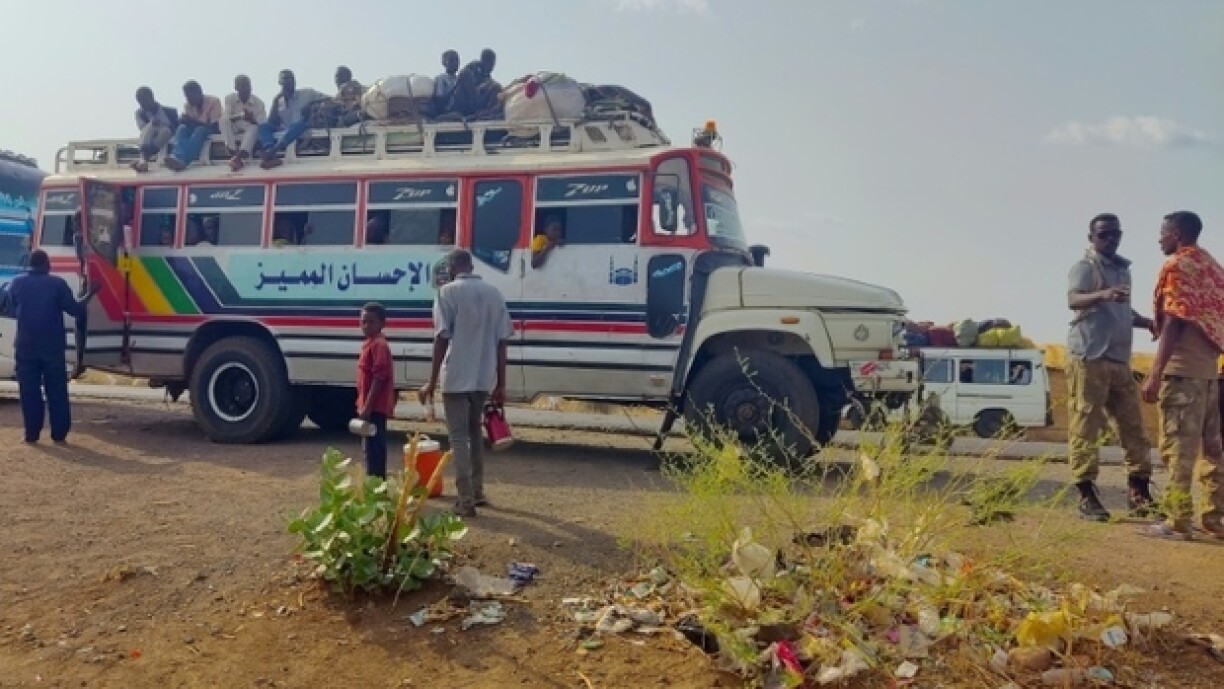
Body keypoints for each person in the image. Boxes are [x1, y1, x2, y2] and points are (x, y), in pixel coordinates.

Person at [1066, 213, 1157, 522]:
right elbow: (1074, 299)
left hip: (1119, 360)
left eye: (1115, 234)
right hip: (1089, 357)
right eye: (1104, 235)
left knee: (1134, 427)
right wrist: (1103, 294)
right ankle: (1086, 494)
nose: (1110, 239)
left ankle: (1139, 491)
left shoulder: (1122, 270)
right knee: (1086, 426)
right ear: (1091, 237)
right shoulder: (1085, 267)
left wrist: (1145, 322)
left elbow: (1121, 310)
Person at [1139, 211, 1224, 540]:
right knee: (1213, 449)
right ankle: (1215, 517)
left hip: (1182, 372)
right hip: (1208, 374)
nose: (1159, 239)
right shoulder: (1213, 268)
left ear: (1176, 233)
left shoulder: (1177, 266)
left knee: (1178, 449)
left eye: (1163, 233)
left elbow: (1174, 318)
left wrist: (1156, 372)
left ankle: (1177, 521)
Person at [420, 250, 514, 517]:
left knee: (458, 436)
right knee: (474, 433)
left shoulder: (446, 293)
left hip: (456, 375)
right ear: (471, 265)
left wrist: (431, 380)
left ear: (451, 268)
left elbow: (441, 338)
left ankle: (465, 500)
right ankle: (477, 491)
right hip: (483, 376)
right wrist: (501, 384)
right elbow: (502, 342)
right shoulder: (494, 293)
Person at [6, 250, 97, 443]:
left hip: (25, 346)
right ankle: (59, 434)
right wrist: (91, 292)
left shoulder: (17, 283)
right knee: (56, 391)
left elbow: (12, 308)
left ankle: (31, 434)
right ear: (47, 265)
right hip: (52, 348)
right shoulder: (57, 284)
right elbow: (76, 310)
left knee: (29, 392)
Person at [357, 302, 397, 479]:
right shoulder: (369, 343)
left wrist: (367, 406)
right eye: (363, 322)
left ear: (382, 323)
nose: (366, 326)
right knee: (370, 448)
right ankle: (374, 485)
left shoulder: (379, 345)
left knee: (375, 449)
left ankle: (377, 488)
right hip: (369, 405)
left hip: (375, 407)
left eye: (371, 322)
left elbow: (379, 377)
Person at [258, 70, 326, 170]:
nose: (288, 82)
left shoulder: (307, 93)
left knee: (299, 123)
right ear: (280, 83)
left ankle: (272, 152)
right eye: (285, 80)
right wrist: (275, 101)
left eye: (290, 79)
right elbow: (271, 122)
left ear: (294, 81)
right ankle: (271, 153)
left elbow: (329, 99)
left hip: (302, 133)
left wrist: (312, 103)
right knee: (263, 126)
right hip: (285, 133)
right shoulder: (279, 101)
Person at [164, 81, 223, 171]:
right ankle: (176, 156)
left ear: (199, 92)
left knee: (200, 130)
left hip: (210, 130)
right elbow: (189, 124)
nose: (188, 99)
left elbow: (214, 125)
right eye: (186, 96)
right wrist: (183, 121)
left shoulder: (213, 101)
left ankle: (183, 160)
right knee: (182, 128)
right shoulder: (188, 105)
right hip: (194, 129)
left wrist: (192, 121)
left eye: (190, 96)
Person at [221, 75, 267, 172]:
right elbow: (227, 117)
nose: (245, 88)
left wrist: (251, 119)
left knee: (254, 127)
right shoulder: (229, 99)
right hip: (234, 125)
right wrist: (241, 116)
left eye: (247, 85)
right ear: (236, 88)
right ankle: (232, 152)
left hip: (249, 126)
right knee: (223, 121)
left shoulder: (259, 103)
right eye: (242, 86)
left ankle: (240, 156)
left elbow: (262, 124)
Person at [131, 87, 179, 173]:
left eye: (144, 101)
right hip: (149, 136)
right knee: (149, 127)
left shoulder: (170, 112)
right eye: (140, 102)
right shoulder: (140, 113)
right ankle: (144, 160)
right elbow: (142, 127)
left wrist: (162, 124)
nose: (142, 105)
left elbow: (175, 129)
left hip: (167, 136)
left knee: (165, 131)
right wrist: (152, 124)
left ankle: (145, 158)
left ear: (151, 98)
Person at [447, 48, 501, 118]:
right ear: (483, 60)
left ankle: (484, 114)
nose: (491, 66)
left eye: (493, 63)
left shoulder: (488, 78)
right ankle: (474, 109)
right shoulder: (474, 67)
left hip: (476, 105)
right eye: (489, 62)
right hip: (463, 100)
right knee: (466, 73)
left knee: (496, 87)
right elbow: (462, 79)